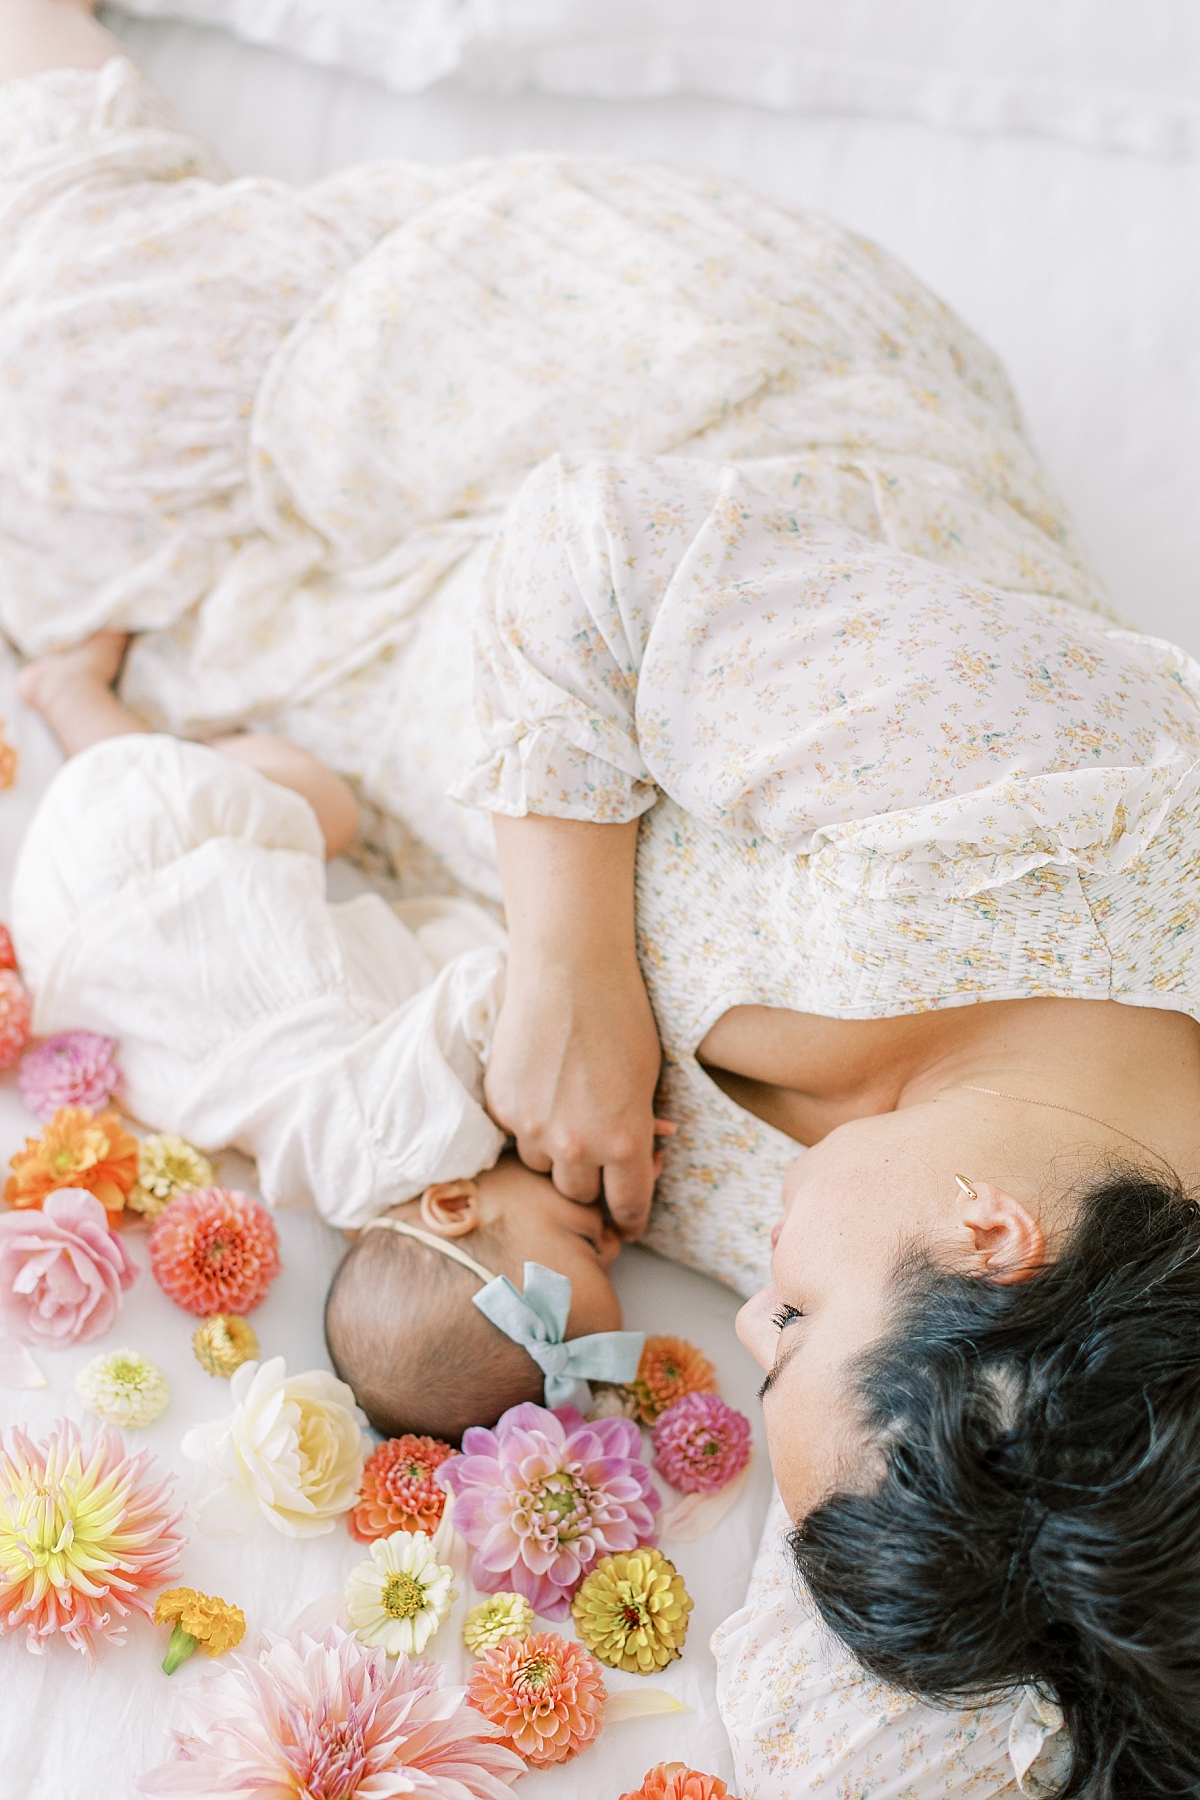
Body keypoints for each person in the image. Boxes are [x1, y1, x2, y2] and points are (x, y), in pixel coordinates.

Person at [5, 6, 1200, 1793]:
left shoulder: (995, 1410)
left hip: (437, 758)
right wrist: (575, 958)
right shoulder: (1074, 821)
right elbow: (598, 545)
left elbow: (835, 1707)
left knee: (74, 629)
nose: (741, 1319)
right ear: (993, 1236)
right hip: (631, 415)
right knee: (74, 352)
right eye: (794, 1327)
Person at [8, 657, 647, 1439]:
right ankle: (79, 713)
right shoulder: (335, 1183)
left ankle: (83, 699)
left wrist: (549, 1085)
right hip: (74, 957)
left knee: (328, 811)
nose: (615, 1236)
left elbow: (492, 988)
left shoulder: (427, 1136)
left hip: (142, 860)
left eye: (585, 1242)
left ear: (452, 1205)